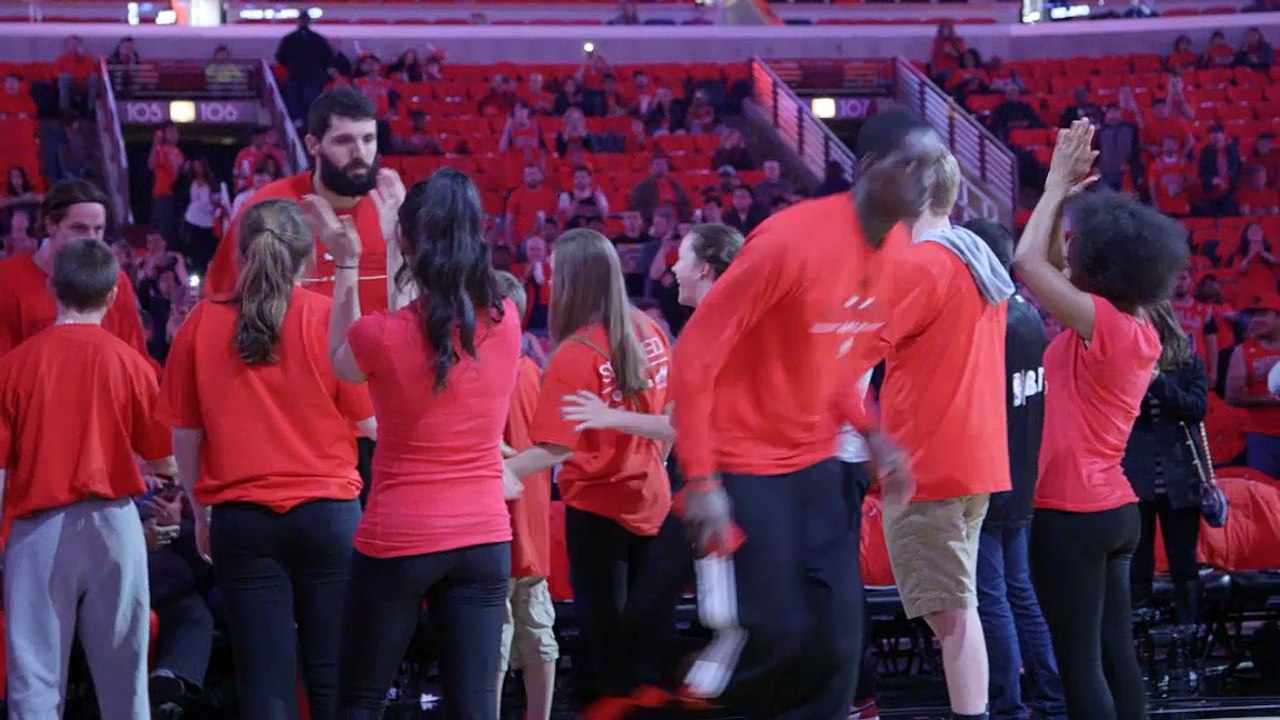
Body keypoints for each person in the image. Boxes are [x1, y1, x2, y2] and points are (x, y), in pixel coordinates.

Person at [666, 108, 942, 719]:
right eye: (912, 164)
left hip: (817, 463)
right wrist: (702, 479)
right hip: (742, 465)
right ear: (868, 170)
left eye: (934, 165)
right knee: (777, 635)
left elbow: (833, 360)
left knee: (841, 645)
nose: (928, 178)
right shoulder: (787, 243)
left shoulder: (897, 251)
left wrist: (873, 433)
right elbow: (693, 358)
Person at [157, 199, 376, 719]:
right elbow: (369, 424)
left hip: (242, 518)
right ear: (307, 256)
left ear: (240, 253)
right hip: (328, 514)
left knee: (264, 680)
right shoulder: (329, 318)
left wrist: (201, 510)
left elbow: (184, 437)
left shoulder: (199, 324)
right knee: (333, 675)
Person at [328, 168, 520, 717]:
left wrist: (349, 263)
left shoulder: (380, 335)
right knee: (476, 705)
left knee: (360, 700)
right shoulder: (505, 322)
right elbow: (429, 321)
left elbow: (343, 359)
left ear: (409, 245)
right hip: (484, 537)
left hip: (400, 536)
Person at [1014, 119, 1187, 720]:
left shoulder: (1107, 326)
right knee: (1116, 658)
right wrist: (1063, 193)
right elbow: (1056, 264)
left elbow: (1027, 262)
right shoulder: (1128, 323)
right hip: (1112, 511)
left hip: (1071, 513)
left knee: (1080, 663)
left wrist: (1051, 184)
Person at [557, 224, 744, 708]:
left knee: (705, 624)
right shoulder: (675, 328)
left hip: (722, 494)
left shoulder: (714, 329)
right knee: (667, 623)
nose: (670, 267)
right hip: (691, 491)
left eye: (679, 258)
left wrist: (607, 417)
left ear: (704, 268)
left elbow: (685, 425)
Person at [0, 238, 176, 719]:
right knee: (126, 681)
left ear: (53, 289)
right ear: (114, 294)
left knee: (34, 679)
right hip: (115, 523)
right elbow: (163, 458)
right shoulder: (133, 364)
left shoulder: (13, 367)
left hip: (38, 528)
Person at [871, 149, 1014, 720]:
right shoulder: (974, 257)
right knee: (955, 609)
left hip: (927, 462)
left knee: (951, 613)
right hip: (970, 457)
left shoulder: (924, 264)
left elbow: (857, 348)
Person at [504, 228, 673, 707]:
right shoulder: (651, 330)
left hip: (599, 510)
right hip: (652, 500)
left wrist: (492, 471)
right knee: (648, 638)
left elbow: (553, 450)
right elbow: (673, 424)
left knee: (607, 641)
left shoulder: (574, 354)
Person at [962, 218, 1068, 720]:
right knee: (1020, 593)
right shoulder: (1030, 316)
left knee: (992, 598)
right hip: (1023, 473)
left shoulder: (987, 318)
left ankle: (1006, 703)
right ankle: (1049, 693)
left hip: (989, 473)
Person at [206, 87, 396, 318]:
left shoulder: (395, 210)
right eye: (344, 141)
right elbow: (221, 307)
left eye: (368, 139)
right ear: (313, 145)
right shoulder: (266, 208)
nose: (360, 153)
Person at [1122, 301, 1208, 690]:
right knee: (1137, 566)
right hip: (1136, 480)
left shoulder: (1188, 361)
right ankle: (1137, 648)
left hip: (1179, 480)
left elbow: (1195, 409)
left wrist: (1157, 380)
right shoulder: (1125, 362)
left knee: (1182, 563)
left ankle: (1190, 642)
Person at [493, 271, 559, 720]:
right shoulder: (536, 372)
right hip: (531, 533)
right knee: (538, 631)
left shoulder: (493, 378)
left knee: (494, 638)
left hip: (495, 528)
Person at [0, 180, 149, 360]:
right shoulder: (7, 280)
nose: (91, 239)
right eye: (80, 228)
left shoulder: (116, 279)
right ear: (51, 225)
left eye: (98, 229)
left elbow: (135, 355)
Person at [1224, 295, 1280, 477]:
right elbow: (1232, 396)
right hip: (1262, 435)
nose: (1256, 319)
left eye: (1263, 314)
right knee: (1263, 492)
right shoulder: (1243, 351)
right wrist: (1270, 400)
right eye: (1253, 315)